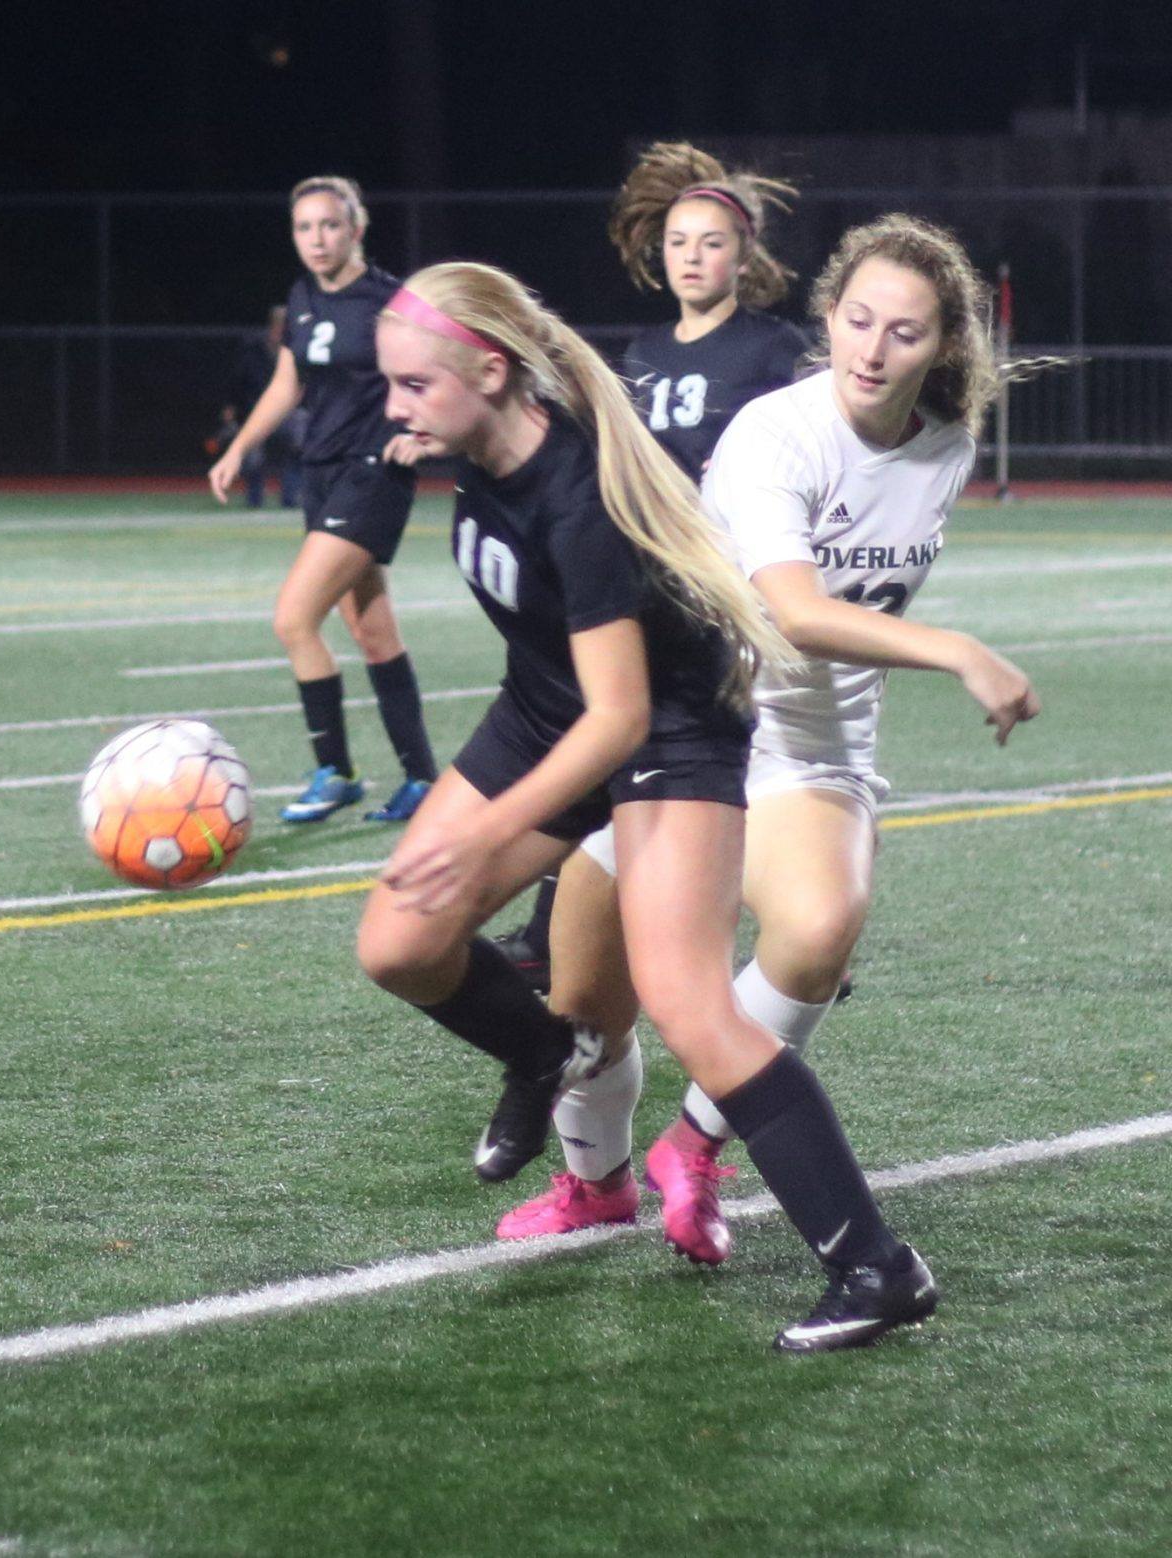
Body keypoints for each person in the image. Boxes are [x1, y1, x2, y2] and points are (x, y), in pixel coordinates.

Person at [357, 258, 939, 1354]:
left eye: (412, 387)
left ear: (489, 372)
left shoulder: (576, 496)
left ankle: (876, 1263)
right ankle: (545, 1055)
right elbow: (567, 692)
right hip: (545, 714)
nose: (395, 405)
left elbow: (620, 719)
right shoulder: (481, 433)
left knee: (689, 1006)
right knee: (398, 938)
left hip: (662, 729)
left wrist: (485, 832)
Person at [497, 214, 1042, 1299]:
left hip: (814, 741)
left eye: (907, 331)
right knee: (585, 1001)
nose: (874, 349)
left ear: (947, 348)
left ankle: (695, 1144)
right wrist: (956, 649)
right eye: (858, 319)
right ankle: (594, 1184)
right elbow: (787, 608)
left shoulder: (948, 444)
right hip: (690, 717)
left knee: (819, 930)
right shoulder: (773, 434)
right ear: (829, 314)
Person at [494, 140, 810, 991]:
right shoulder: (642, 350)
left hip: (736, 593)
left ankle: (792, 921)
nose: (693, 258)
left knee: (745, 763)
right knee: (608, 740)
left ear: (744, 255)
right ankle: (545, 929)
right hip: (652, 587)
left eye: (711, 243)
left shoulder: (773, 350)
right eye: (678, 243)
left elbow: (810, 450)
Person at [208, 175, 438, 824]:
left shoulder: (391, 300)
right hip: (321, 476)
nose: (317, 238)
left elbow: (441, 367)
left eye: (330, 225)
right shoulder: (303, 296)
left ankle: (335, 771)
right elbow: (287, 383)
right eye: (305, 227)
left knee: (293, 619)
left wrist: (424, 434)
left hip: (372, 474)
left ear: (357, 229)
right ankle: (421, 777)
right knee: (371, 633)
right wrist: (239, 449)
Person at [218, 304, 304, 510]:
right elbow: (237, 382)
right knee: (253, 454)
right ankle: (254, 498)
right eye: (279, 325)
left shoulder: (301, 349)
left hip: (290, 416)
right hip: (256, 413)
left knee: (301, 437)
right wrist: (230, 408)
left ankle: (290, 497)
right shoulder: (253, 351)